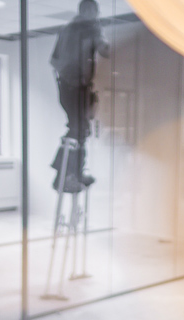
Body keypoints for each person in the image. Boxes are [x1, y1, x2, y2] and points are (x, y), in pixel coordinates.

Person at [50, 0, 107, 192]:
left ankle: (72, 174)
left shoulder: (67, 29)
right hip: (75, 87)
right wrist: (75, 79)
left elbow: (54, 61)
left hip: (71, 87)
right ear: (87, 11)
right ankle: (65, 176)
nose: (95, 15)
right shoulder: (87, 29)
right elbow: (104, 50)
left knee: (80, 130)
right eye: (94, 11)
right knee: (78, 130)